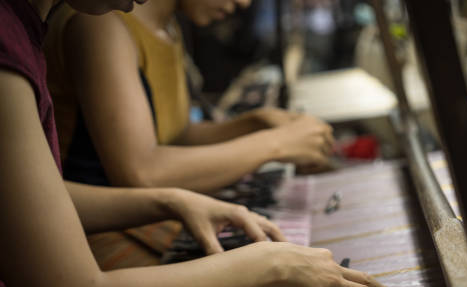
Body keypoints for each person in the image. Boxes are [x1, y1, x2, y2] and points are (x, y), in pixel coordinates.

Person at [0, 0, 397, 287]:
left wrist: (170, 200)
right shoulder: (28, 38)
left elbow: (29, 198)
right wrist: (270, 263)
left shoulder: (23, 31)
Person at [45, 0, 336, 269]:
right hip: (95, 244)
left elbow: (174, 136)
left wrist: (254, 125)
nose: (244, 3)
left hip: (152, 225)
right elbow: (142, 172)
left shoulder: (168, 27)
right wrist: (275, 144)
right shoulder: (100, 26)